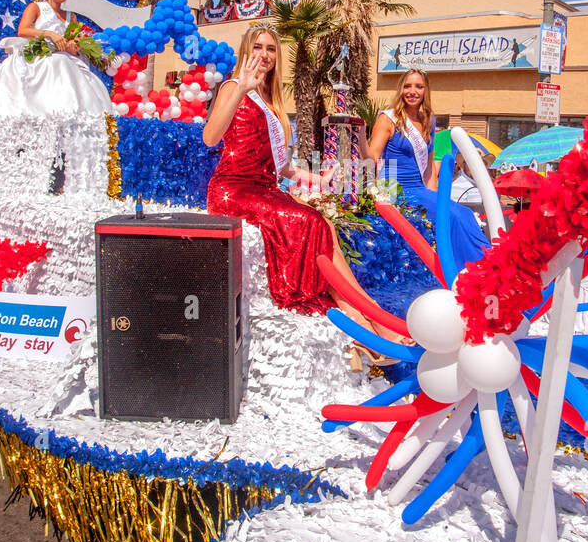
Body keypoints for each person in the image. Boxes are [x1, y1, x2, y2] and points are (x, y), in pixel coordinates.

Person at [204, 25, 404, 365]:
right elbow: (210, 137)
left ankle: (368, 317)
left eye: (270, 49)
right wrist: (242, 91)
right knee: (307, 221)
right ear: (245, 51)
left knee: (323, 224)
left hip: (265, 188)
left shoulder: (272, 102)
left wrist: (321, 180)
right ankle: (367, 324)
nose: (264, 55)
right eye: (258, 47)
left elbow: (283, 169)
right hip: (233, 190)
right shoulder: (234, 87)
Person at [367, 68, 490, 273]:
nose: (412, 91)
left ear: (426, 91)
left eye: (418, 86)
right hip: (393, 191)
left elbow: (429, 168)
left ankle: (481, 267)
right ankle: (475, 271)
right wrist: (361, 137)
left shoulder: (428, 120)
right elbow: (371, 158)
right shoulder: (388, 119)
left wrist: (436, 199)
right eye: (407, 86)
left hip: (419, 190)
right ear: (401, 90)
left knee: (464, 214)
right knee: (457, 216)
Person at [0, 0, 113, 117]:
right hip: (41, 55)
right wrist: (50, 34)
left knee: (85, 76)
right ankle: (55, 112)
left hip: (67, 58)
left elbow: (73, 41)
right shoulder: (36, 8)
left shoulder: (71, 16)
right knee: (58, 62)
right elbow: (22, 31)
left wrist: (73, 48)